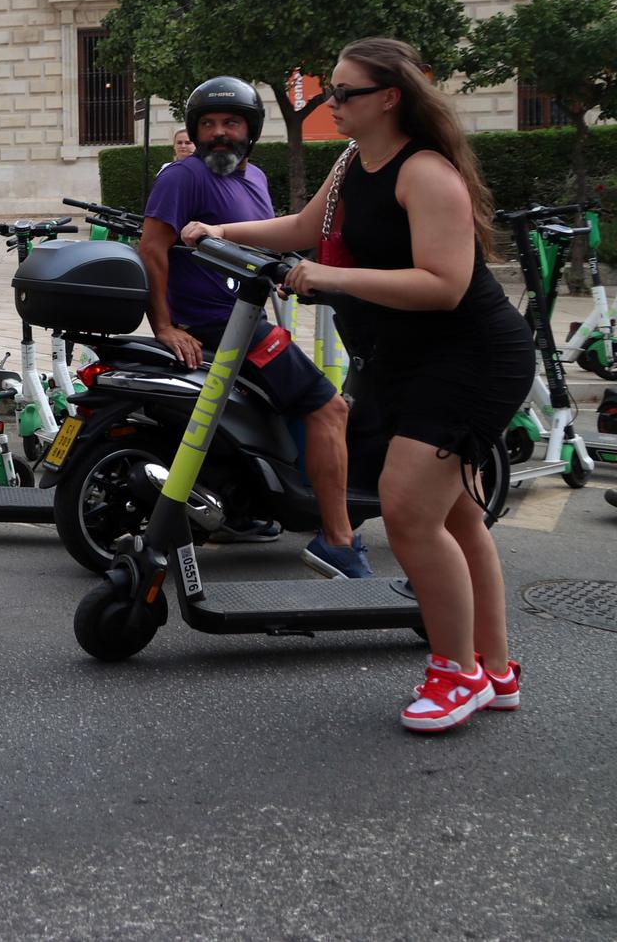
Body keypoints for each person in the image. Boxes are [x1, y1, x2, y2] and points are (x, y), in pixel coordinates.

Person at [184, 39, 533, 733]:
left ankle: (454, 671)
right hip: (404, 357)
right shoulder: (350, 164)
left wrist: (331, 278)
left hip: (469, 356)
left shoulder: (426, 173)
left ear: (389, 97)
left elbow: (445, 283)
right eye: (329, 90)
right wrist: (218, 228)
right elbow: (305, 229)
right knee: (457, 516)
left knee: (409, 513)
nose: (330, 102)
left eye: (343, 92)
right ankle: (493, 669)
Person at [142, 76, 366, 575]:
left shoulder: (255, 179)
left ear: (251, 129)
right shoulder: (184, 177)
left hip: (248, 315)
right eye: (208, 124)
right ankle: (338, 541)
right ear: (195, 133)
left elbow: (261, 245)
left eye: (230, 122)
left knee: (287, 411)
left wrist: (289, 273)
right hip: (222, 324)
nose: (219, 133)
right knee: (329, 408)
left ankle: (254, 505)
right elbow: (152, 249)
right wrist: (163, 326)